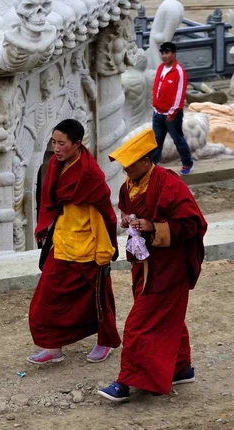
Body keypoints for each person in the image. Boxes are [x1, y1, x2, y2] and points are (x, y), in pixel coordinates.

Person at [98, 128, 207, 402]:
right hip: (146, 264)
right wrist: (128, 220)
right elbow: (128, 207)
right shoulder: (130, 185)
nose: (126, 170)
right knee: (168, 316)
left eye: (131, 164)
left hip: (170, 266)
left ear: (147, 161)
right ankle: (181, 367)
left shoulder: (169, 183)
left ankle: (126, 381)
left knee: (139, 323)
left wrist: (153, 227)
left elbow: (194, 223)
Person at [27, 119, 121, 365]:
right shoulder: (57, 166)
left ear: (77, 144)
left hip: (88, 247)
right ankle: (53, 346)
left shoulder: (89, 174)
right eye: (53, 142)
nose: (56, 148)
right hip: (62, 243)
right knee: (47, 300)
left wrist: (104, 250)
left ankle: (105, 342)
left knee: (99, 298)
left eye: (61, 143)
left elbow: (102, 216)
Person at [151, 41, 194, 175]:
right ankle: (152, 166)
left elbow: (179, 94)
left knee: (177, 139)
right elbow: (157, 88)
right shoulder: (160, 68)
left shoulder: (179, 72)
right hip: (157, 112)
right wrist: (155, 106)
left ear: (173, 54)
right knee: (156, 141)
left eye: (167, 53)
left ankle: (187, 163)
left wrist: (172, 112)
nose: (164, 56)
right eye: (162, 53)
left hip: (171, 115)